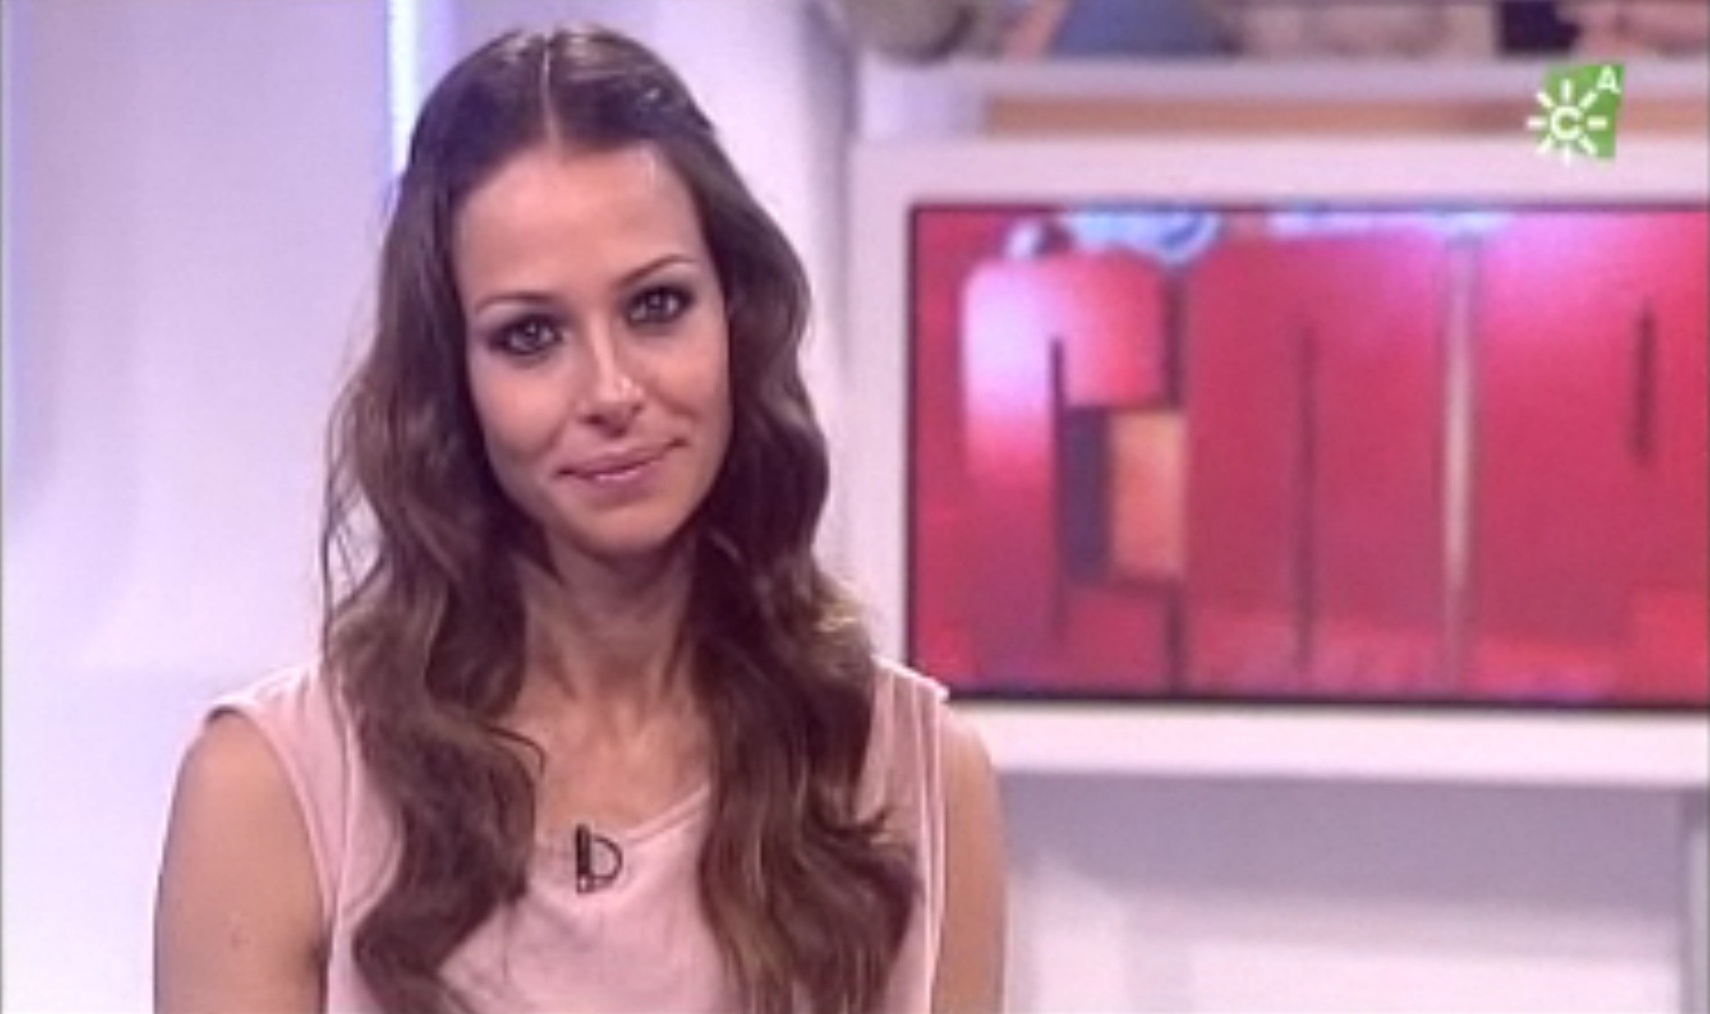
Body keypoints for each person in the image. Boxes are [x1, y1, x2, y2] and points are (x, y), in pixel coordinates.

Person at [153, 24, 1005, 1014]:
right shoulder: (272, 795)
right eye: (530, 335)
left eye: (657, 307)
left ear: (738, 319)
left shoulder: (913, 777)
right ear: (450, 381)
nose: (610, 391)